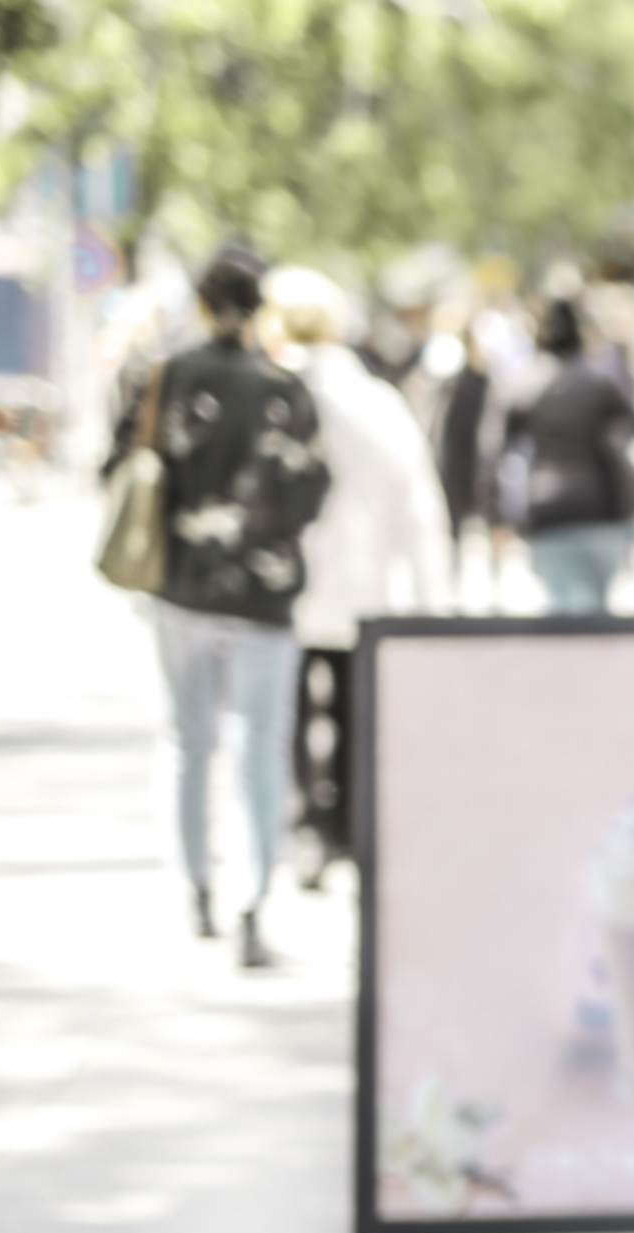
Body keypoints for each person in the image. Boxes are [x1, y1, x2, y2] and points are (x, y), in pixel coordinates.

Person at [107, 248, 332, 967]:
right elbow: (312, 492)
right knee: (260, 747)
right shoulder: (285, 390)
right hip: (264, 593)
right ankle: (253, 901)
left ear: (202, 304)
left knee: (188, 739)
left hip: (182, 585)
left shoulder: (165, 377)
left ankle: (197, 886)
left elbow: (121, 467)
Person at [260, 268, 454, 884]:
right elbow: (417, 502)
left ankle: (302, 823)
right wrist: (432, 599)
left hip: (283, 583)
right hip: (362, 583)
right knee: (351, 705)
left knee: (285, 708)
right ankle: (343, 822)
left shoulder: (269, 392)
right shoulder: (374, 398)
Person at [500, 298, 634, 613]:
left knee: (566, 610)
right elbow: (633, 430)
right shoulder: (599, 382)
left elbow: (498, 449)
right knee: (592, 610)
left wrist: (497, 514)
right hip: (599, 507)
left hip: (551, 509)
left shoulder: (525, 384)